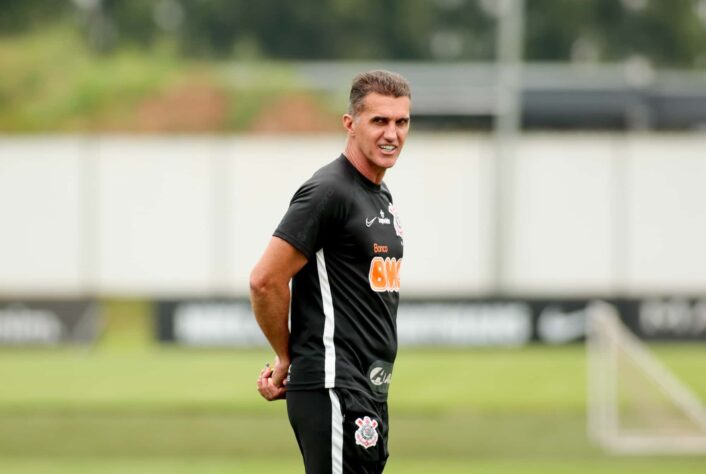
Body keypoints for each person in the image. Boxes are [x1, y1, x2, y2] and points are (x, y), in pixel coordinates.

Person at [249, 69, 411, 474]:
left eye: (401, 121)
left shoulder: (379, 195)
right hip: (333, 383)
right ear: (350, 124)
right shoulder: (329, 191)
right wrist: (287, 357)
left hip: (365, 388)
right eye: (379, 121)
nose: (391, 133)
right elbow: (265, 280)